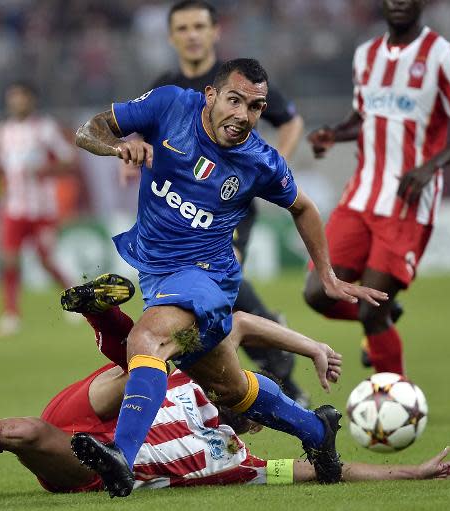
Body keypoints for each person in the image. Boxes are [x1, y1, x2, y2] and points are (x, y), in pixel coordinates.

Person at [70, 58, 388, 497]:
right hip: (159, 275)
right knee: (229, 386)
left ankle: (122, 456)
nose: (243, 116)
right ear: (211, 96)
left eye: (255, 107)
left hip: (207, 279)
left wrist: (328, 275)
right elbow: (90, 128)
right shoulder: (169, 107)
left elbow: (305, 208)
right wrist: (116, 147)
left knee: (146, 340)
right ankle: (317, 431)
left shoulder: (261, 161)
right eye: (235, 100)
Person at [0, 300, 450, 491]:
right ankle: (101, 313)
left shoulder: (241, 464)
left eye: (248, 410)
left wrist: (411, 472)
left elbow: (323, 470)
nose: (237, 403)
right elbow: (243, 326)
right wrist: (310, 345)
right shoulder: (190, 380)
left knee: (23, 434)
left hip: (88, 463)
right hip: (98, 408)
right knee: (147, 362)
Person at [137, 0, 309, 405]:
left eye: (199, 26)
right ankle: (269, 342)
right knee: (213, 294)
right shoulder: (167, 83)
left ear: (215, 31)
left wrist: (276, 166)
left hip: (229, 208)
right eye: (183, 28)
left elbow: (291, 119)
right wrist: (137, 153)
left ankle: (268, 367)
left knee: (213, 277)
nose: (192, 35)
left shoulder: (238, 79)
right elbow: (143, 132)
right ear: (171, 36)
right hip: (181, 211)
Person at [304, 0, 450, 375]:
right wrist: (334, 134)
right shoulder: (366, 55)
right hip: (359, 197)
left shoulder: (442, 55)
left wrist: (430, 166)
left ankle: (393, 399)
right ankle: (386, 316)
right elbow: (364, 117)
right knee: (318, 293)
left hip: (406, 201)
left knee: (373, 313)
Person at [0, 81, 77, 337]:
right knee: (8, 259)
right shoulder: (2, 131)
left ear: (31, 100)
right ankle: (11, 314)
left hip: (42, 208)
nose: (16, 102)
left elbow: (69, 159)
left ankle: (74, 300)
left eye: (20, 97)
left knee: (45, 259)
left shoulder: (45, 128)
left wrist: (45, 170)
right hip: (13, 207)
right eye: (12, 97)